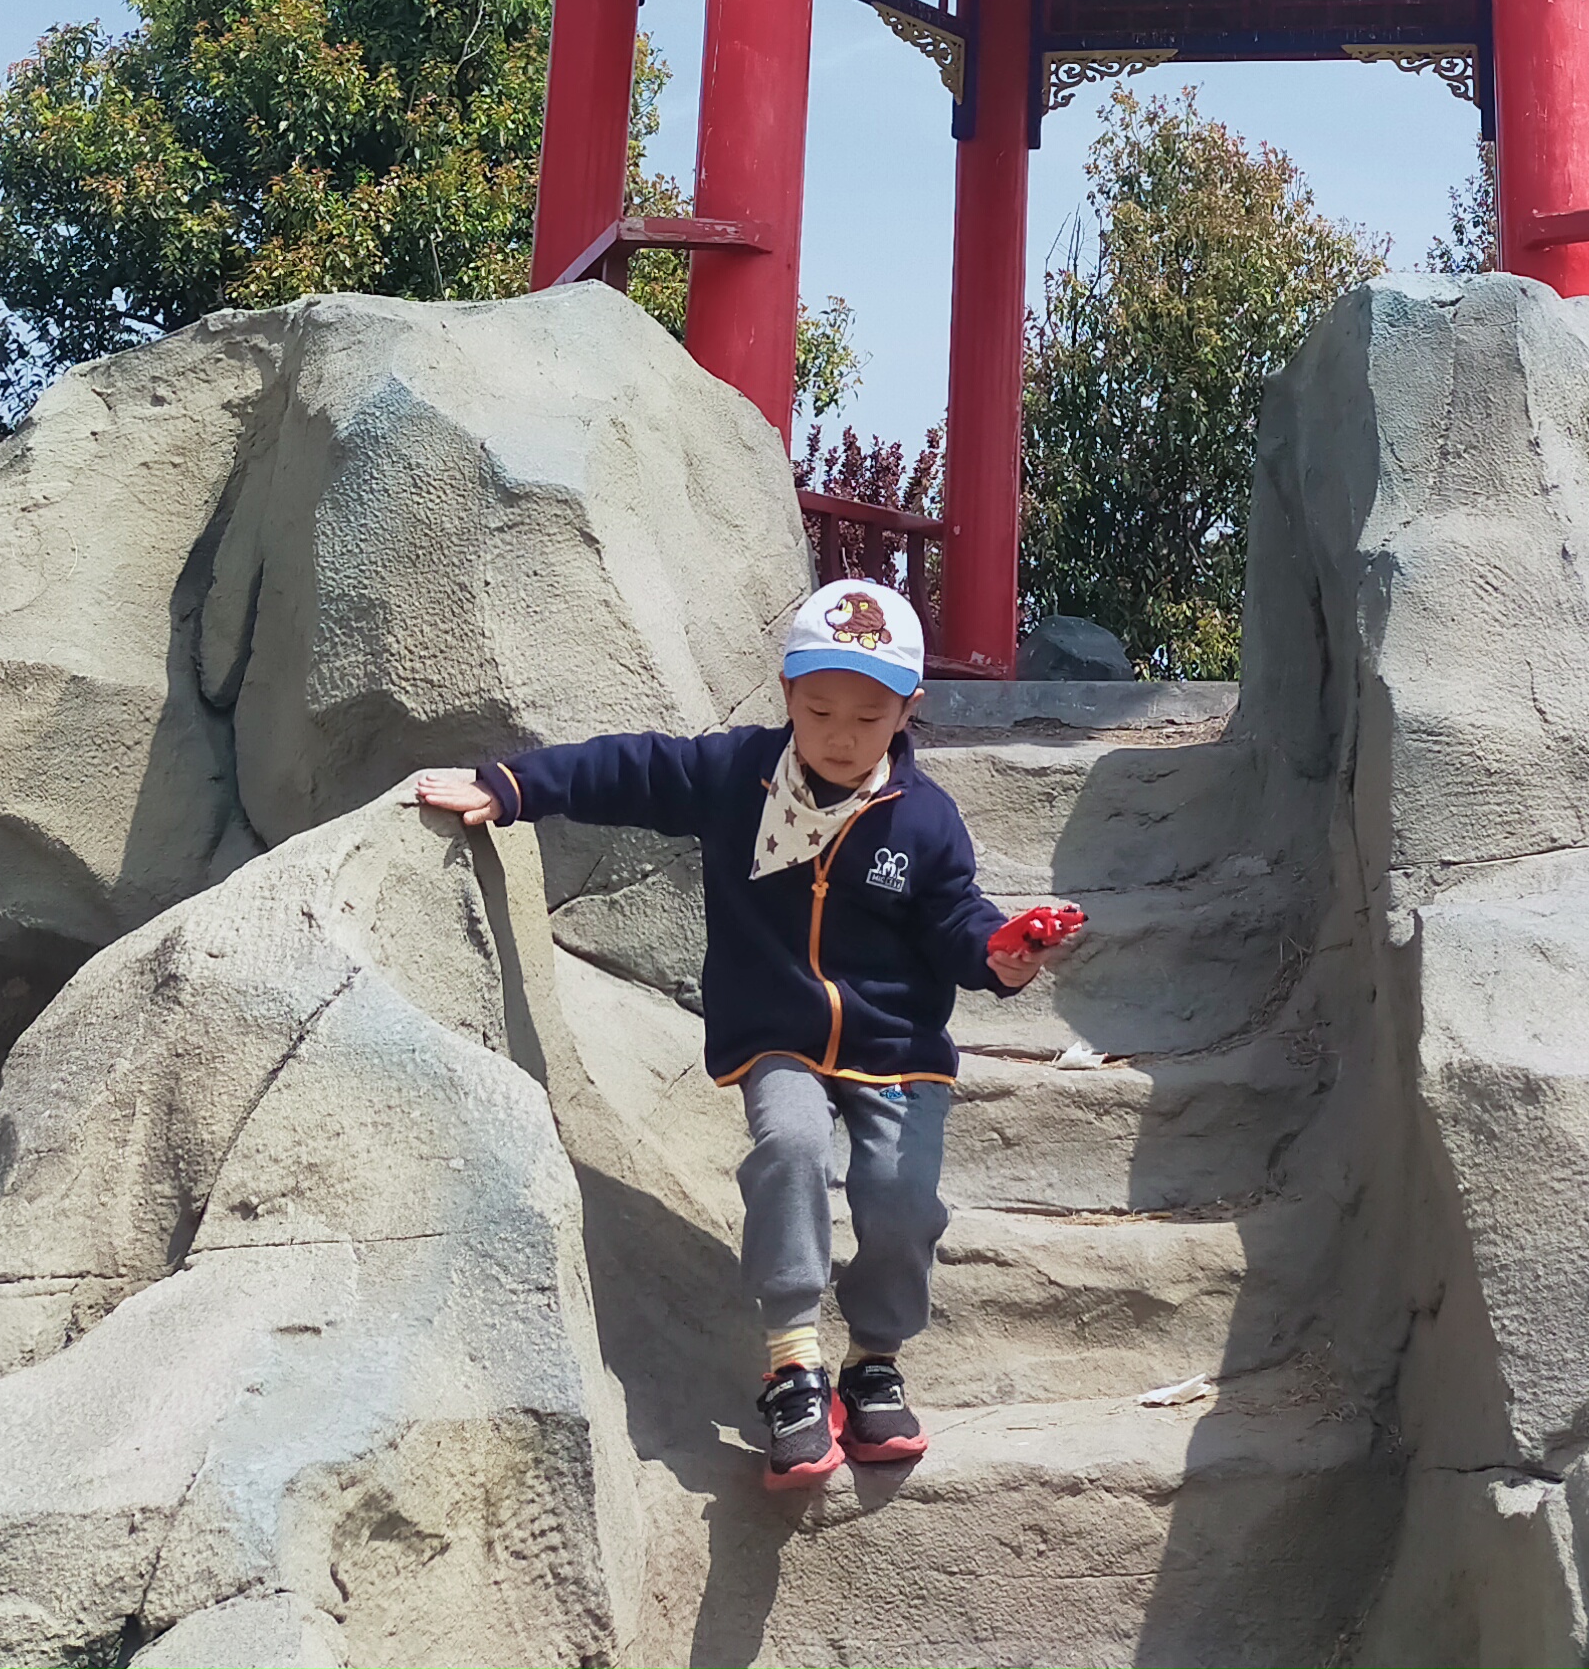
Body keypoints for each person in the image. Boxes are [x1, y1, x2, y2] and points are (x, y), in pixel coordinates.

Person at [404, 576, 1085, 1491]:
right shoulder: (739, 776)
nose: (840, 736)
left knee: (900, 1198)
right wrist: (512, 786)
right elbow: (632, 769)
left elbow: (958, 920)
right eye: (819, 710)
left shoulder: (924, 820)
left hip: (896, 1047)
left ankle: (874, 1363)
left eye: (868, 718)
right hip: (776, 1032)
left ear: (909, 712)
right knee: (791, 1147)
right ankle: (794, 1365)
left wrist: (1000, 956)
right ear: (787, 692)